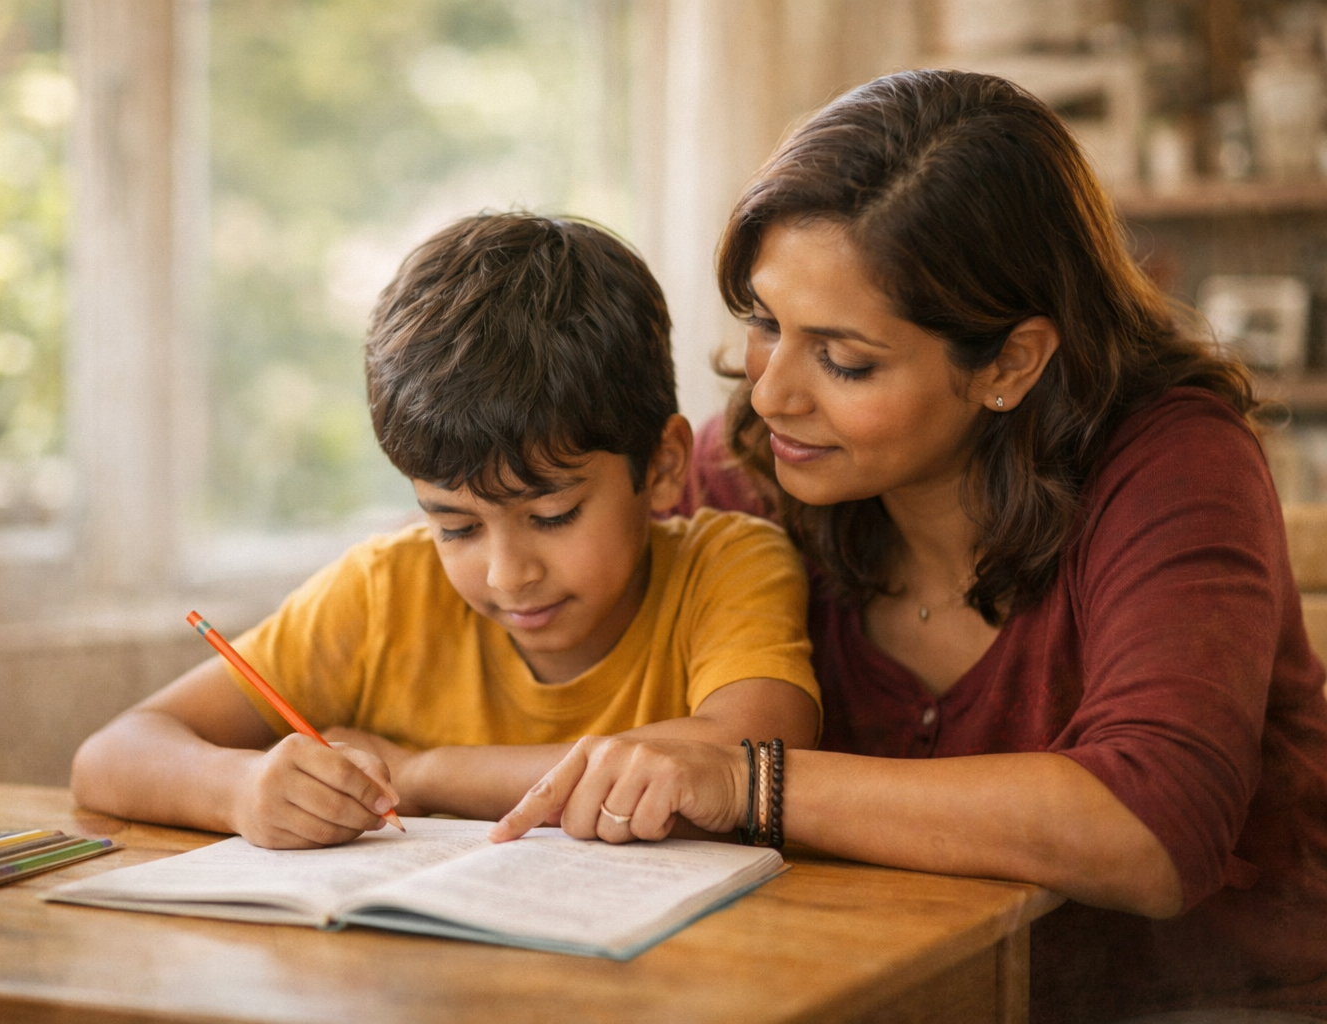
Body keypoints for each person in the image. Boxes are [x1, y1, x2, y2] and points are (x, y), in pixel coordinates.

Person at [491, 71, 1327, 1022]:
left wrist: (747, 779)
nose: (772, 395)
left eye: (846, 361)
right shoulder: (753, 467)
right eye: (766, 324)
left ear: (1012, 360)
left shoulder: (1176, 463)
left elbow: (1152, 830)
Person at [71, 212, 821, 851]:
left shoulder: (728, 565)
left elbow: (759, 755)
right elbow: (110, 756)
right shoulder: (383, 593)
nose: (506, 573)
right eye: (456, 526)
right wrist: (239, 788)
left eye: (552, 516)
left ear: (661, 466)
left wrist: (424, 773)